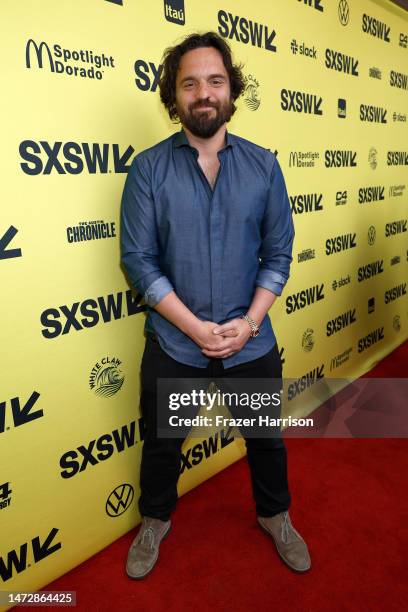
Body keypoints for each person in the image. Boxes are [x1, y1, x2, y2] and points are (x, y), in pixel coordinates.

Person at [120, 31, 311, 579]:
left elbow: (278, 254)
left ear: (232, 90)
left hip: (251, 341)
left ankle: (275, 515)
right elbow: (139, 261)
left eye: (215, 81)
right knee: (161, 445)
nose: (203, 93)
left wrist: (249, 324)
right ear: (173, 95)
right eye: (190, 83)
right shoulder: (149, 170)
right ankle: (155, 520)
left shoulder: (264, 167)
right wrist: (195, 329)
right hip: (175, 342)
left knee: (266, 440)